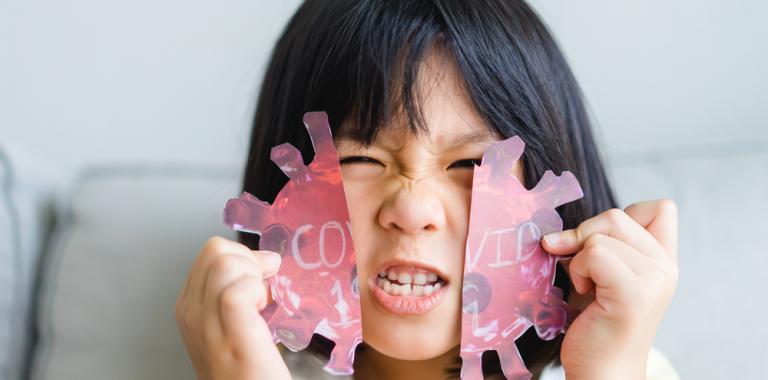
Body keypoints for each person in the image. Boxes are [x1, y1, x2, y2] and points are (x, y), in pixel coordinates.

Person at [175, 1, 680, 379]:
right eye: (358, 159)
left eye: (470, 163)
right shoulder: (250, 367)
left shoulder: (619, 365)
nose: (411, 209)